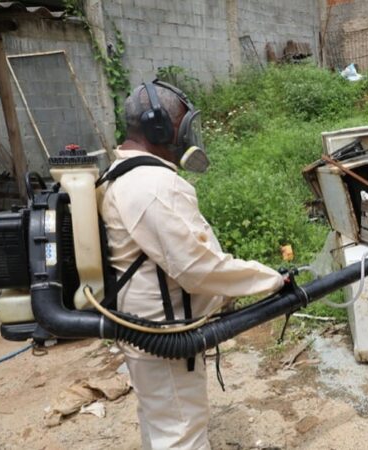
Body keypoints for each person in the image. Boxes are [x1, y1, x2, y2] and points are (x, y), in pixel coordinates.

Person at [99, 80, 285, 449]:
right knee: (182, 432)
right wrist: (272, 280)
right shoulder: (154, 185)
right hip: (162, 333)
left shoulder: (120, 174)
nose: (186, 138)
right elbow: (199, 269)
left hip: (144, 332)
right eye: (182, 128)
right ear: (158, 128)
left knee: (161, 422)